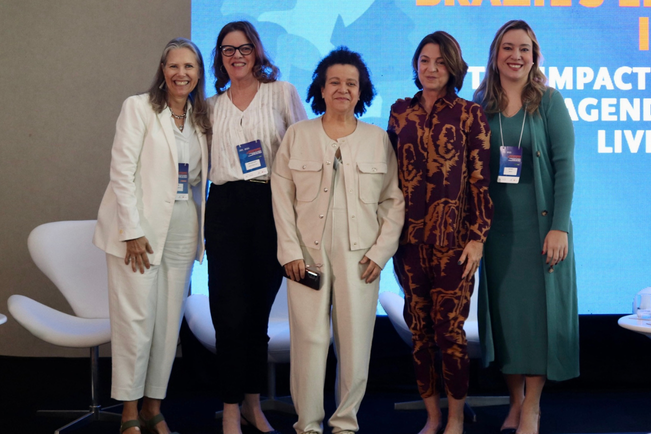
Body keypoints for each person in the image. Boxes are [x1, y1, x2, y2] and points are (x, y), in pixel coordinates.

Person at [271, 47, 404, 434]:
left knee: (355, 342)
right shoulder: (298, 135)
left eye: (351, 83)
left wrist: (380, 254)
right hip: (306, 257)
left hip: (360, 258)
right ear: (321, 89)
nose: (343, 89)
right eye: (335, 82)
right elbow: (281, 197)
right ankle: (308, 424)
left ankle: (345, 423)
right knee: (309, 342)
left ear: (361, 91)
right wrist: (290, 252)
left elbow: (393, 201)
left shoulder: (377, 139)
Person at [93, 37, 210, 434]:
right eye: (174, 66)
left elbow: (197, 180)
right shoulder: (139, 107)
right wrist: (131, 231)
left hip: (183, 225)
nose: (181, 73)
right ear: (163, 70)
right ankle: (128, 412)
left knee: (167, 322)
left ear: (199, 74)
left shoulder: (200, 119)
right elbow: (121, 171)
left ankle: (153, 408)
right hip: (139, 230)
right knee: (135, 321)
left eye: (189, 66)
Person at [473, 20, 578, 434]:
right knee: (506, 322)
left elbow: (565, 168)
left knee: (537, 322)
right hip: (497, 234)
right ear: (495, 55)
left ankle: (532, 406)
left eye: (524, 49)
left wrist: (560, 227)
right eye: (508, 48)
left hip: (542, 231)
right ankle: (514, 402)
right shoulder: (480, 105)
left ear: (534, 57)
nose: (516, 56)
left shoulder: (549, 102)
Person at [388, 31, 493, 434]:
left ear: (453, 67)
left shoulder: (469, 114)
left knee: (450, 334)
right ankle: (432, 416)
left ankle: (455, 418)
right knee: (419, 333)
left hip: (455, 245)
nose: (431, 68)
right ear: (416, 65)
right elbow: (388, 179)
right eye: (424, 60)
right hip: (408, 243)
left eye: (440, 61)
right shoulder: (400, 112)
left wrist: (478, 237)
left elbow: (480, 181)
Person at [205, 20, 307, 434]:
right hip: (224, 210)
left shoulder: (282, 93)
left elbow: (302, 154)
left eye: (244, 48)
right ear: (220, 57)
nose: (237, 56)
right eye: (228, 50)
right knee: (228, 317)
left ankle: (252, 404)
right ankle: (231, 409)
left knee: (256, 318)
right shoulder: (209, 107)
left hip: (269, 208)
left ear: (257, 51)